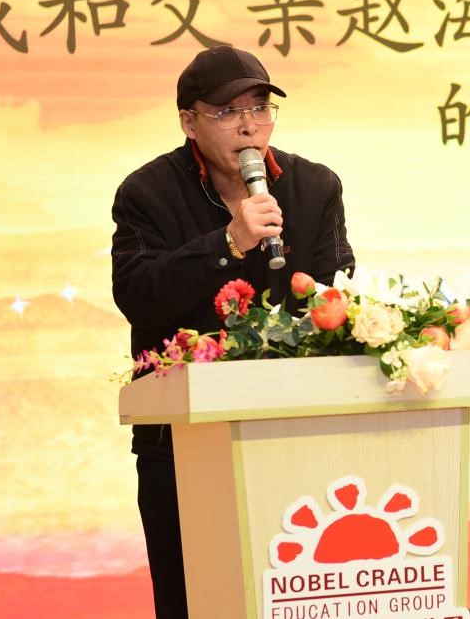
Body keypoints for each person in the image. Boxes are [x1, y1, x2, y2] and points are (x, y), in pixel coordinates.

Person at [111, 44, 355, 619]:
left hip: (294, 435)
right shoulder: (146, 193)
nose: (249, 126)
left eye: (261, 108)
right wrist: (227, 243)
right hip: (181, 445)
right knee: (195, 601)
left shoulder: (315, 186)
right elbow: (138, 296)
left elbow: (333, 295)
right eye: (227, 112)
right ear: (188, 122)